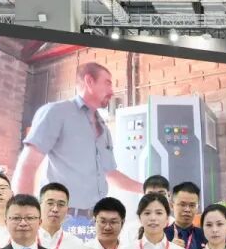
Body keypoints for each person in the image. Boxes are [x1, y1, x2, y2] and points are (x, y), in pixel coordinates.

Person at [12, 62, 140, 213]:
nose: (112, 91)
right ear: (89, 81)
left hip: (96, 217)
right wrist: (25, 215)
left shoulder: (104, 128)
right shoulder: (56, 112)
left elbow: (110, 174)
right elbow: (28, 166)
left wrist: (147, 188)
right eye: (107, 83)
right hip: (60, 217)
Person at [121, 175, 171, 246]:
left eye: (161, 194)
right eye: (150, 194)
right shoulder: (130, 229)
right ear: (144, 196)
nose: (156, 198)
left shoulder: (176, 226)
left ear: (169, 195)